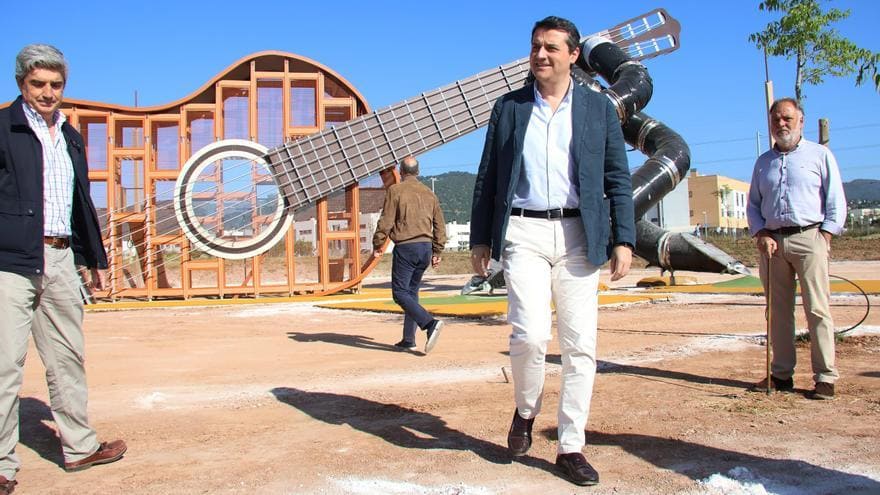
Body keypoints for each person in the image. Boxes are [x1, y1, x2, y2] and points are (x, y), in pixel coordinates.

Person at [469, 16, 635, 487]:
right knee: (529, 335)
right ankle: (525, 409)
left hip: (580, 235)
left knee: (581, 346)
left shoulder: (598, 109)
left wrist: (623, 238)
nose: (541, 55)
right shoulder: (509, 108)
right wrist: (481, 238)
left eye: (551, 48)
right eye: (536, 47)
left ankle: (571, 446)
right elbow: (487, 177)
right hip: (524, 233)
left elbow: (616, 178)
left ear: (573, 55)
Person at [0, 44, 127, 493]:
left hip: (58, 259)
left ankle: (79, 448)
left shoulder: (71, 136)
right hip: (10, 262)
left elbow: (81, 206)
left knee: (68, 358)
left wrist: (95, 260)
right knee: (5, 365)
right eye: (38, 84)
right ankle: (1, 465)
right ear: (21, 84)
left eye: (55, 84)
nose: (47, 92)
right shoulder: (3, 128)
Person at [747, 97, 847, 400]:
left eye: (787, 118)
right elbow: (753, 206)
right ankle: (781, 374)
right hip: (772, 244)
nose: (781, 124)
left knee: (817, 309)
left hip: (810, 238)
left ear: (800, 121)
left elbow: (836, 200)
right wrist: (761, 232)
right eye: (776, 119)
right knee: (777, 312)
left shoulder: (820, 155)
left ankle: (825, 377)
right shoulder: (762, 162)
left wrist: (825, 235)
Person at [373, 156, 447, 354]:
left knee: (399, 293)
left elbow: (386, 220)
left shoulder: (395, 191)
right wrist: (437, 250)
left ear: (402, 171)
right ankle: (408, 339)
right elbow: (440, 224)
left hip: (406, 247)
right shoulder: (429, 193)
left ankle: (429, 324)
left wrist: (378, 243)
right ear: (418, 172)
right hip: (425, 248)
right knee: (411, 293)